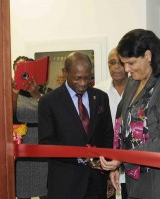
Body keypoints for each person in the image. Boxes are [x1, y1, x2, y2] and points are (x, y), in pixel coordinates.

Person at [99, 29, 160, 199]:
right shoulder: (133, 82)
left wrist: (124, 158)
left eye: (131, 63)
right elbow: (122, 123)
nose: (126, 69)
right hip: (135, 180)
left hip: (157, 181)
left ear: (148, 55)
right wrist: (117, 162)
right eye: (124, 63)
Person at [38, 51, 114, 199]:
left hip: (96, 182)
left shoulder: (100, 98)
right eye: (77, 78)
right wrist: (81, 157)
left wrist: (107, 169)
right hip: (65, 183)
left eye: (87, 78)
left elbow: (107, 135)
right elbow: (46, 144)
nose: (83, 83)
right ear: (65, 72)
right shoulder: (49, 101)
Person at [12, 56, 51, 199]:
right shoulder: (10, 93)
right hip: (21, 146)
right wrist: (14, 93)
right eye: (17, 69)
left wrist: (34, 92)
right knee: (22, 191)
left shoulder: (46, 91)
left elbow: (50, 112)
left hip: (41, 144)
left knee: (45, 191)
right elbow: (8, 114)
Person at [94, 48, 128, 199]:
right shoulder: (98, 91)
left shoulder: (139, 89)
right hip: (106, 164)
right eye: (112, 63)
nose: (116, 67)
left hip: (132, 163)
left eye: (120, 62)